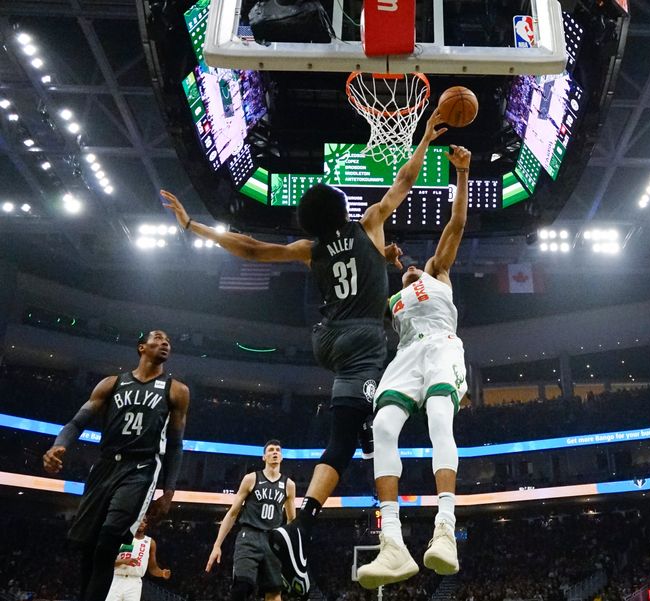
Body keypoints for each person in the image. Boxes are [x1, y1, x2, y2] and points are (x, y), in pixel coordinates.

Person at [161, 109, 446, 595]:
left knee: (357, 426)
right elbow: (404, 179)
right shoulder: (370, 223)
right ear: (342, 208)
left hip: (328, 340)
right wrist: (423, 137)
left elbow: (250, 248)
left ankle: (356, 443)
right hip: (363, 339)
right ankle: (301, 527)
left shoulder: (310, 249)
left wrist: (193, 227)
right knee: (365, 427)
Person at [357, 145, 471, 589]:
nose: (407, 270)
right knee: (382, 428)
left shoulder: (437, 272)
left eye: (410, 268)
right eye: (401, 269)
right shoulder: (391, 302)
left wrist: (462, 173)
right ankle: (392, 544)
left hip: (441, 346)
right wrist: (378, 259)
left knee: (440, 420)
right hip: (404, 357)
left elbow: (456, 224)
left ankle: (445, 529)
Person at [42, 330, 190, 601]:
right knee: (88, 545)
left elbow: (176, 444)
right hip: (105, 465)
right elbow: (77, 423)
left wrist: (169, 492)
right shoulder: (112, 383)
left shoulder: (177, 390)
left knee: (109, 539)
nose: (165, 343)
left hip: (141, 468)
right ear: (141, 347)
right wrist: (57, 445)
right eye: (158, 339)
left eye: (168, 340)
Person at [205, 440, 296, 601]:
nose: (275, 452)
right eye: (271, 450)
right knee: (242, 587)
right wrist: (217, 545)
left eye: (278, 450)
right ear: (264, 457)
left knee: (274, 593)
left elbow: (291, 520)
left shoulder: (289, 485)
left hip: (273, 540)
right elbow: (233, 513)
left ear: (281, 457)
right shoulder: (251, 478)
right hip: (249, 536)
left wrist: (292, 550)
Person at [106, 516, 171, 601]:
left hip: (134, 582)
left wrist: (162, 573)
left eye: (144, 521)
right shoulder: (121, 537)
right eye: (139, 520)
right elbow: (107, 562)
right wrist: (124, 561)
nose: (141, 523)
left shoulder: (150, 542)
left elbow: (152, 568)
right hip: (116, 579)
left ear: (146, 524)